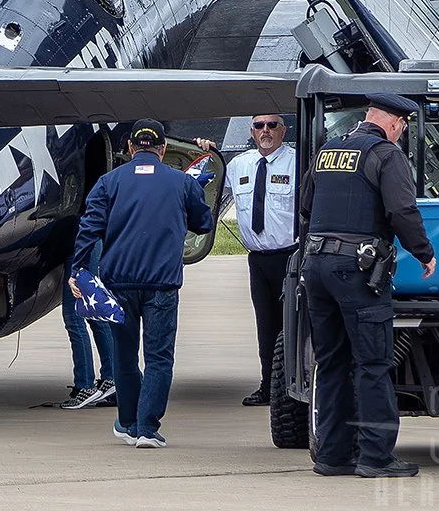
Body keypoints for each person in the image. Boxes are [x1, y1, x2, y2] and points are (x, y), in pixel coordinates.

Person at [299, 93, 436, 478]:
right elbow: (401, 211)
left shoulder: (328, 150)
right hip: (357, 271)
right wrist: (424, 253)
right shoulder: (386, 155)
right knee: (372, 363)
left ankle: (332, 455)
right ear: (395, 123)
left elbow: (306, 206)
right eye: (402, 127)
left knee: (330, 362)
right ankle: (375, 457)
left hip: (317, 265)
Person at [70, 119, 212, 448]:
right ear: (163, 149)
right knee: (159, 357)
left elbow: (88, 230)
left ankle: (128, 422)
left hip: (118, 284)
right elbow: (203, 224)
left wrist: (78, 271)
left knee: (125, 357)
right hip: (161, 284)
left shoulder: (108, 183)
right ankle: (147, 427)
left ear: (131, 148)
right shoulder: (182, 183)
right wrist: (195, 192)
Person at [194, 114, 298, 407]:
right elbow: (205, 185)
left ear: (283, 130)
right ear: (252, 131)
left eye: (272, 125)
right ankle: (269, 386)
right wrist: (208, 155)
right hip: (258, 260)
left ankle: (294, 385)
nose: (266, 131)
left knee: (293, 325)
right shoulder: (239, 164)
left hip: (290, 258)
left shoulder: (297, 162)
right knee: (265, 327)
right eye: (259, 126)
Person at [60, 240, 116, 410]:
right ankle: (112, 377)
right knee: (94, 314)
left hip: (81, 245)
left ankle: (85, 385)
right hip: (86, 244)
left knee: (74, 317)